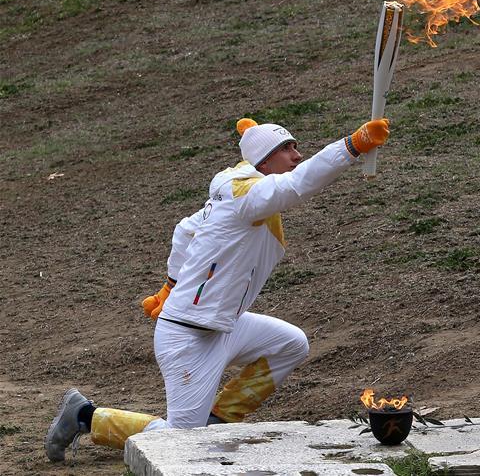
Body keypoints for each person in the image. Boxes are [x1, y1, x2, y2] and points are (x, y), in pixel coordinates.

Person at [45, 115, 391, 462]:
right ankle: (86, 416)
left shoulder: (235, 195)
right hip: (188, 338)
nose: (297, 155)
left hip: (222, 325)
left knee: (291, 344)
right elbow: (298, 184)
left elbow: (184, 230)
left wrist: (170, 286)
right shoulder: (247, 194)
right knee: (182, 444)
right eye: (288, 148)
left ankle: (219, 419)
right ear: (264, 160)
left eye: (296, 147)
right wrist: (353, 145)